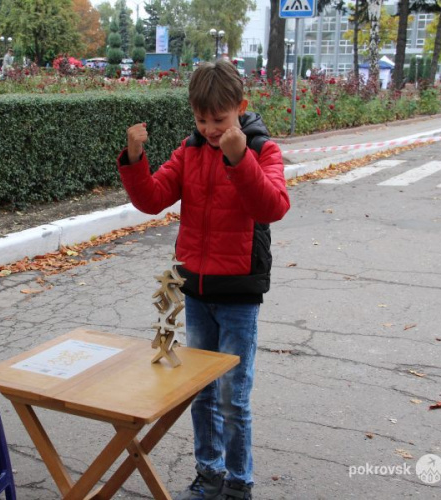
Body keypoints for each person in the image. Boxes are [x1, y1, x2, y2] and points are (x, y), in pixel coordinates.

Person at [117, 60, 290, 500]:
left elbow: (272, 207)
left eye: (220, 119)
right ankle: (208, 472)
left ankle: (238, 481)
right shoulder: (189, 150)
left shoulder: (262, 149)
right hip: (193, 290)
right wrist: (135, 160)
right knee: (200, 392)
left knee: (234, 397)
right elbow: (153, 199)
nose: (211, 129)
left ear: (240, 108)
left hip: (238, 296)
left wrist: (238, 158)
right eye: (202, 119)